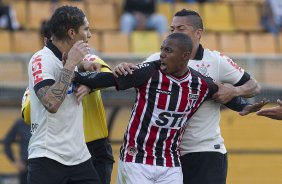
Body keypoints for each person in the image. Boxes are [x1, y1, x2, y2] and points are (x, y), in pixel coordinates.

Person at [74, 32, 266, 184]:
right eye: (161, 49)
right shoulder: (148, 72)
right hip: (137, 158)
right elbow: (107, 79)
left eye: (168, 51)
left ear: (184, 56)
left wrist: (245, 106)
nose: (162, 55)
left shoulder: (200, 84)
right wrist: (76, 73)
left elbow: (223, 95)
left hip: (170, 162)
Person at [113, 9, 261, 184]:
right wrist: (121, 67)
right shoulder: (159, 59)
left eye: (180, 29)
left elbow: (254, 86)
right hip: (168, 156)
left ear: (198, 33)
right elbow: (134, 76)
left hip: (205, 150)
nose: (174, 33)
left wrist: (235, 92)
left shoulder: (217, 61)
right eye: (172, 29)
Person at [27, 5, 101, 184]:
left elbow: (73, 72)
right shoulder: (40, 59)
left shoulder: (70, 59)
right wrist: (72, 64)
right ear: (71, 33)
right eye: (86, 29)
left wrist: (84, 74)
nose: (89, 35)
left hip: (79, 157)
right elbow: (51, 103)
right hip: (47, 157)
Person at [3, 118, 31, 184]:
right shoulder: (20, 123)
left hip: (44, 165)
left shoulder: (45, 121)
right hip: (26, 166)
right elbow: (6, 141)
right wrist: (14, 160)